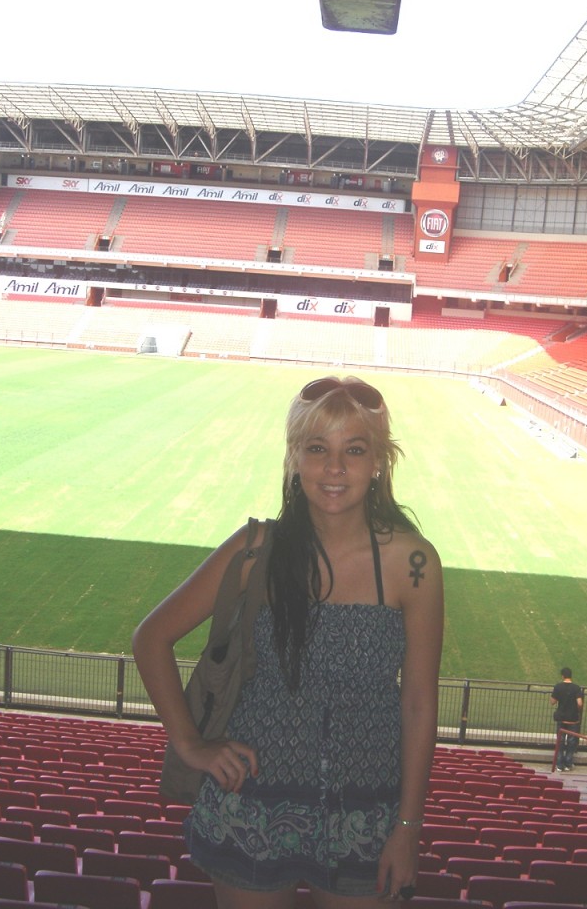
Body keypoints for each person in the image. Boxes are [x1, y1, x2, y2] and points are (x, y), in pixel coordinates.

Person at [133, 375, 444, 908]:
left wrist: (408, 827)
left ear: (379, 463)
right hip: (249, 804)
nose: (335, 468)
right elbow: (151, 638)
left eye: (355, 449)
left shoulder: (413, 564)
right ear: (295, 457)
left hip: (366, 812)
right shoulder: (257, 549)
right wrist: (190, 744)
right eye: (318, 448)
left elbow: (418, 703)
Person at [550, 667, 583, 772]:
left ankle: (559, 764)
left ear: (562, 676)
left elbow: (552, 702)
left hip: (561, 718)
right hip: (573, 718)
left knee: (560, 741)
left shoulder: (558, 687)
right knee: (571, 741)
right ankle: (568, 763)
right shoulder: (577, 688)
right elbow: (579, 703)